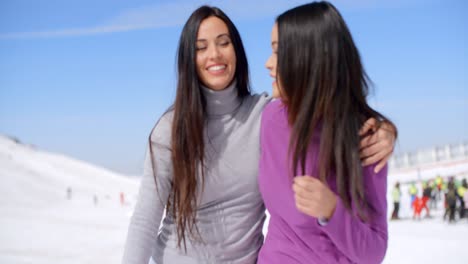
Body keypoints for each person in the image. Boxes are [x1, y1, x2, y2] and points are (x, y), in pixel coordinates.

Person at [122, 5, 396, 264]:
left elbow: (322, 104)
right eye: (200, 48)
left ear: (237, 50)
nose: (214, 55)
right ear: (188, 59)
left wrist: (385, 131)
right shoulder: (172, 128)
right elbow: (145, 220)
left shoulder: (263, 114)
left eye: (223, 42)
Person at [258, 2, 394, 263]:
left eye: (277, 51)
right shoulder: (270, 119)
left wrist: (331, 211)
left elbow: (374, 252)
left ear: (307, 56)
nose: (267, 63)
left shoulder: (366, 138)